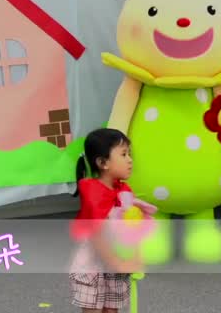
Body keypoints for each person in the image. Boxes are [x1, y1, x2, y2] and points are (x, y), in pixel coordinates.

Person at [69, 128, 144, 313]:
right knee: (93, 309)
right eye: (123, 154)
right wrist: (118, 263)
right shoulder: (93, 191)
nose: (130, 160)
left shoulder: (124, 191)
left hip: (116, 257)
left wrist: (135, 257)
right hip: (94, 262)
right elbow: (97, 236)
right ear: (103, 163)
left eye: (129, 154)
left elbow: (132, 229)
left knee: (112, 309)